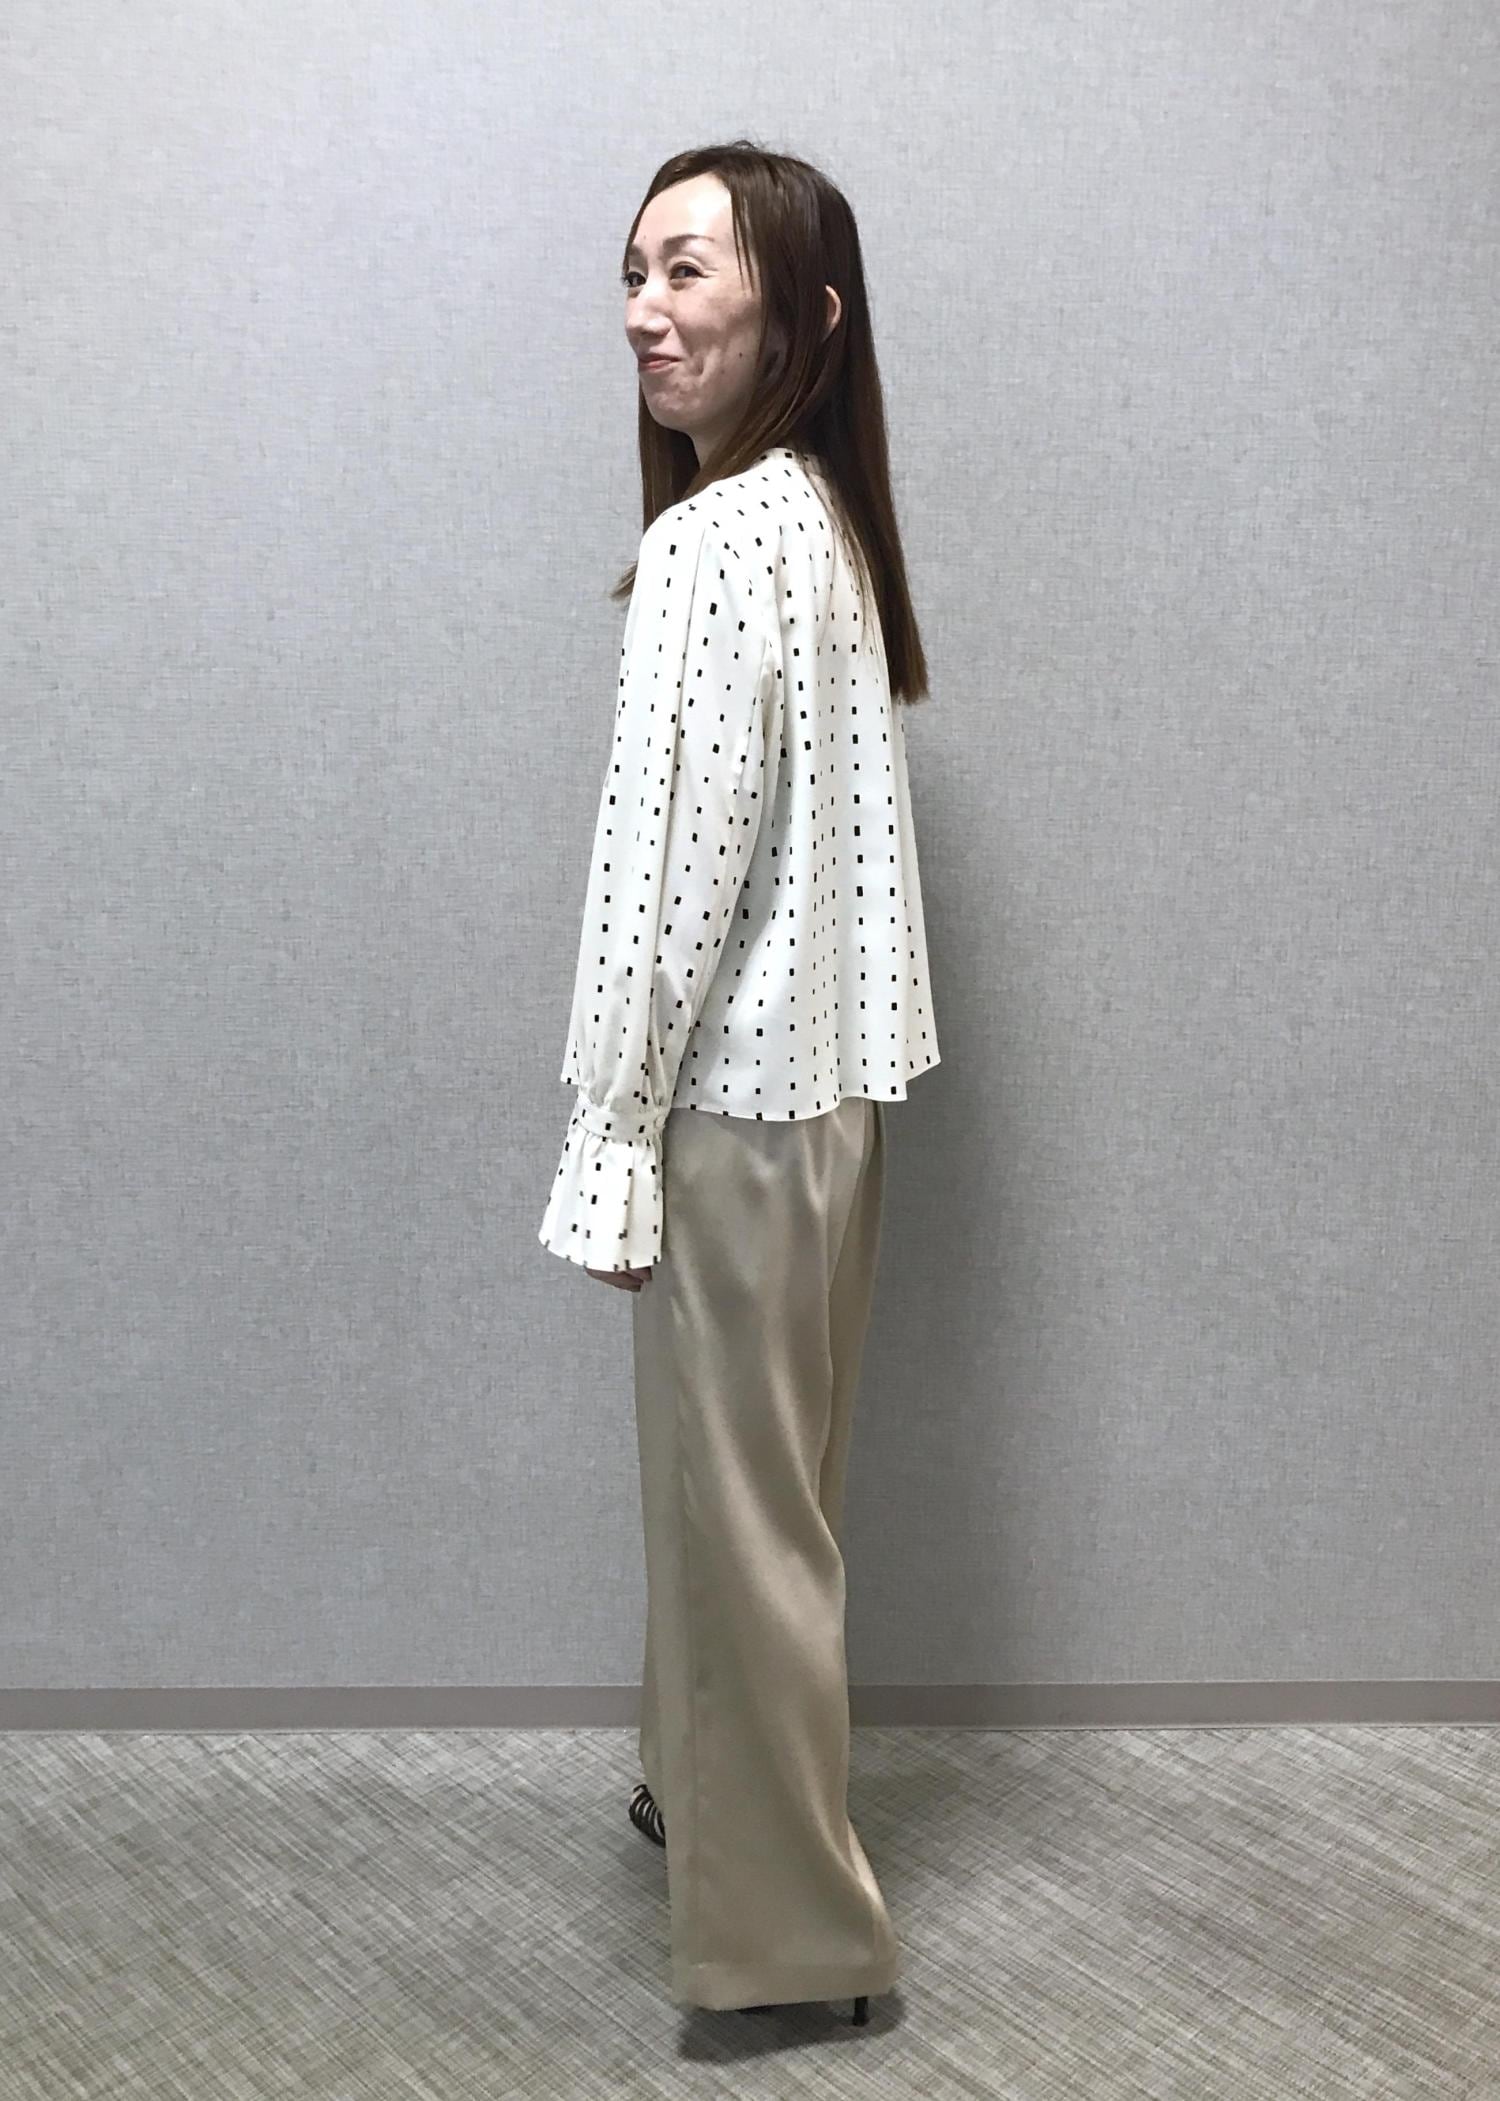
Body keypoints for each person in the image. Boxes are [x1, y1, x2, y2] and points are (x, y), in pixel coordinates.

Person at [538, 141, 940, 2025]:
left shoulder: (716, 544)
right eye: (635, 270)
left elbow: (664, 878)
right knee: (769, 1504)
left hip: (736, 1112)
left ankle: (791, 1944)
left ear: (807, 314)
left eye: (689, 270)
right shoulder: (821, 522)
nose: (647, 309)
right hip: (833, 1109)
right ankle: (695, 1791)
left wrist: (613, 1129)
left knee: (744, 1525)